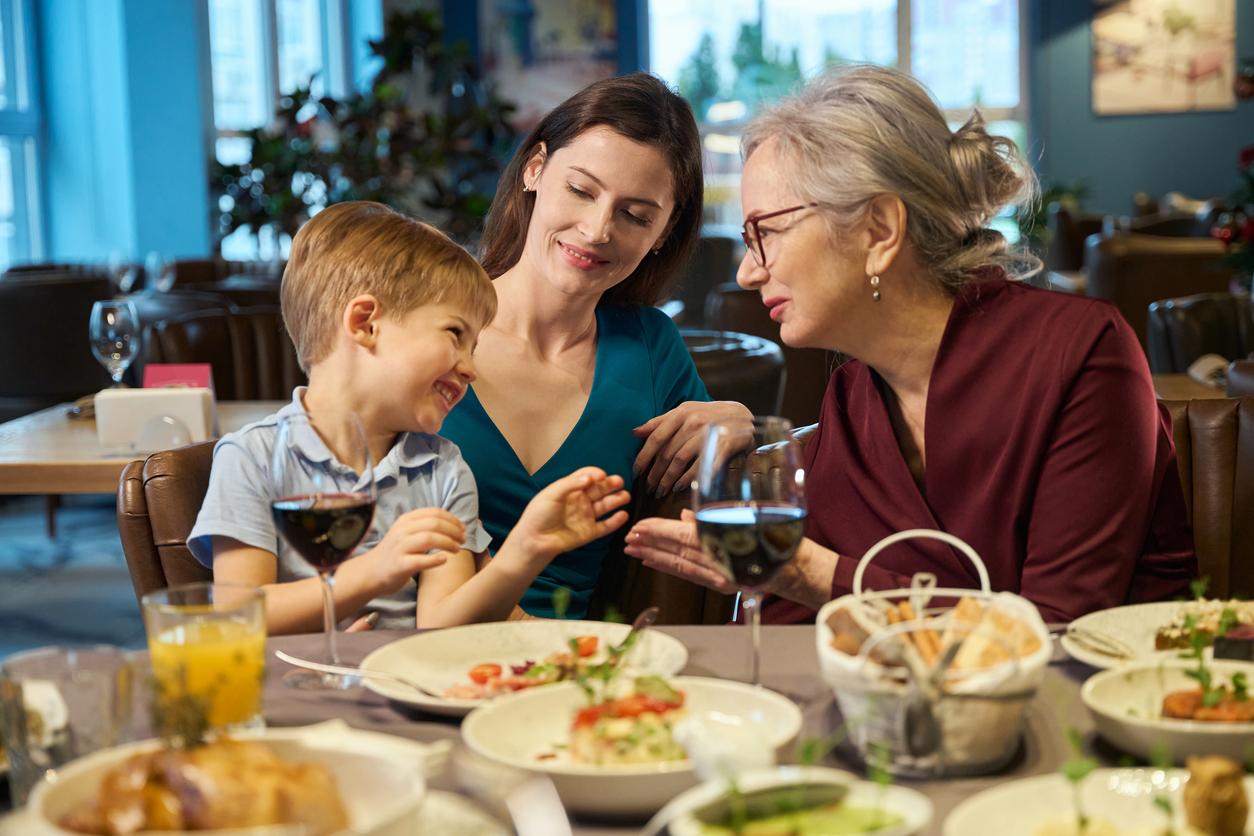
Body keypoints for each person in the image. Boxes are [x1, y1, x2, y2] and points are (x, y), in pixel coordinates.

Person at [624, 64, 1197, 624]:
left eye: (765, 233)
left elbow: (1057, 631)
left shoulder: (1080, 354)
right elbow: (781, 624)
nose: (749, 272)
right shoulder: (853, 397)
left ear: (879, 230)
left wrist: (816, 576)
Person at [188, 202, 630, 634]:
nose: (471, 368)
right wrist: (375, 571)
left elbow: (441, 623)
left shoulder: (441, 468)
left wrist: (525, 550)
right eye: (455, 335)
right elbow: (238, 612)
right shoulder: (253, 456)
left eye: (474, 348)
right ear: (365, 324)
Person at [440, 73, 751, 619]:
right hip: (427, 649)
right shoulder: (427, 324)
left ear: (664, 231)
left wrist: (741, 427)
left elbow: (725, 551)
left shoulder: (653, 347)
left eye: (635, 215)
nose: (596, 229)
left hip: (585, 673)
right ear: (535, 169)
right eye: (581, 190)